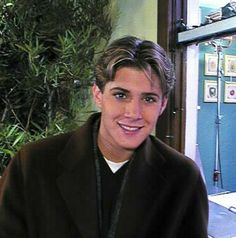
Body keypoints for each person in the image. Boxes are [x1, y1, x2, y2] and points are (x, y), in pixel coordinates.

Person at [0, 36, 208, 238]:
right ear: (98, 95)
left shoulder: (183, 178)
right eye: (120, 95)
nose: (133, 113)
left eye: (148, 99)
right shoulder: (32, 164)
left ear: (162, 105)